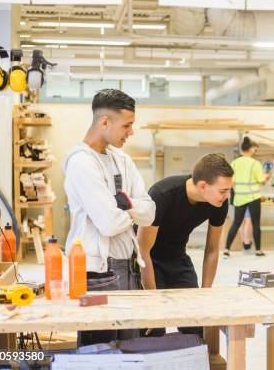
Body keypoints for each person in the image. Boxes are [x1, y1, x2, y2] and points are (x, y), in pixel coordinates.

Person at [64, 89, 155, 346]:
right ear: (105, 122)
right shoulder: (81, 162)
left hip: (129, 269)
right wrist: (131, 209)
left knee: (128, 351)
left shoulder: (123, 160)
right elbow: (108, 223)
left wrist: (123, 206)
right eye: (127, 125)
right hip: (97, 276)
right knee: (98, 353)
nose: (131, 132)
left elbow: (150, 212)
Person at [137, 153, 233, 337]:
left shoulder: (219, 203)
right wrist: (152, 302)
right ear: (203, 186)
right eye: (223, 190)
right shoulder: (162, 194)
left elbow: (212, 250)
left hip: (178, 258)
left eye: (229, 190)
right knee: (152, 328)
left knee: (196, 324)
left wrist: (205, 294)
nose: (227, 196)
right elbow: (143, 250)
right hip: (149, 260)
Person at [223, 137, 270, 257]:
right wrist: (266, 177)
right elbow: (260, 180)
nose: (255, 151)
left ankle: (226, 249)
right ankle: (258, 250)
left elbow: (231, 181)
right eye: (254, 149)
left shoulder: (234, 163)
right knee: (256, 224)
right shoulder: (255, 163)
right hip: (253, 196)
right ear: (250, 149)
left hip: (239, 197)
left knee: (236, 223)